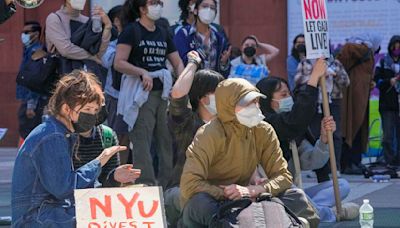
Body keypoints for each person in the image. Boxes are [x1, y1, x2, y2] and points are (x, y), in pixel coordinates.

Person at [180, 78, 319, 227]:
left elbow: (283, 176)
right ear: (229, 106)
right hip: (216, 199)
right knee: (199, 203)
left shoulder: (264, 130)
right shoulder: (208, 134)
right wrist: (227, 193)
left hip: (249, 198)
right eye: (247, 103)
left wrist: (254, 190)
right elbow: (190, 183)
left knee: (296, 196)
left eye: (256, 101)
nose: (254, 107)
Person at [11, 71, 127, 227]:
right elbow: (63, 188)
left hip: (49, 213)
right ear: (66, 109)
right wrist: (99, 161)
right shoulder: (52, 136)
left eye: (95, 111)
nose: (92, 116)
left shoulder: (59, 133)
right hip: (35, 218)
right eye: (87, 110)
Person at [256, 76, 359, 223]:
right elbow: (298, 117)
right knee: (293, 194)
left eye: (289, 94)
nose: (289, 98)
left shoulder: (293, 135)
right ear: (268, 100)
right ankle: (330, 214)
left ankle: (308, 208)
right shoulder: (265, 125)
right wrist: (314, 77)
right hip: (271, 191)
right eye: (283, 95)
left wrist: (323, 139)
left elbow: (313, 162)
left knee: (342, 186)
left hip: (292, 192)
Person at [114, 0, 184, 187]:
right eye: (153, 2)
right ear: (142, 9)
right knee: (141, 140)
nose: (158, 6)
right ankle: (144, 184)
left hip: (162, 94)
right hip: (140, 93)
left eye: (160, 2)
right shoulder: (131, 31)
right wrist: (141, 72)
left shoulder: (163, 32)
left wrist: (182, 81)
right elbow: (119, 62)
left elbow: (177, 62)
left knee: (166, 139)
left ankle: (168, 183)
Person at [164, 51, 224, 227]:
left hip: (217, 191)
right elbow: (177, 94)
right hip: (181, 192)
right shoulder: (187, 122)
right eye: (220, 92)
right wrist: (193, 63)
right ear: (204, 98)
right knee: (199, 201)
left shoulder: (228, 126)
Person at [294, 56, 350, 171]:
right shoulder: (305, 62)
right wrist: (315, 76)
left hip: (333, 101)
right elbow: (297, 79)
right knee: (315, 133)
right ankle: (318, 169)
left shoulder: (335, 63)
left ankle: (335, 167)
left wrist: (334, 75)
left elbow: (346, 81)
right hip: (313, 101)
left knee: (334, 134)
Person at [337, 34, 382, 174]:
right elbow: (347, 49)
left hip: (358, 97)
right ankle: (350, 163)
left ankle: (352, 162)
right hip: (354, 98)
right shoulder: (363, 50)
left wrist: (369, 83)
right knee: (353, 128)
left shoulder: (364, 52)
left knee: (354, 129)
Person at [45, 0, 112, 75]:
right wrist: (91, 57)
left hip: (86, 75)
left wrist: (107, 27)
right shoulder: (55, 18)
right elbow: (65, 50)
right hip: (61, 74)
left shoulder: (88, 21)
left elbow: (98, 53)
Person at [101, 5, 131, 164]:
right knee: (118, 137)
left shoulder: (137, 38)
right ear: (116, 21)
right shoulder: (111, 44)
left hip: (136, 96)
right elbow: (108, 60)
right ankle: (117, 172)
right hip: (116, 96)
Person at [173, 0, 231, 77]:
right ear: (196, 11)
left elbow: (224, 71)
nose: (208, 10)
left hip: (213, 85)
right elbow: (180, 63)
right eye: (205, 6)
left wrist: (224, 63)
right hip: (191, 84)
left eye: (212, 8)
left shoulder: (219, 38)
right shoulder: (184, 34)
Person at [16, 21, 48, 140]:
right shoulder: (28, 50)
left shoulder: (36, 51)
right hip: (28, 98)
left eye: (26, 32)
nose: (23, 35)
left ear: (36, 34)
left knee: (29, 131)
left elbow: (34, 79)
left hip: (34, 100)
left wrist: (31, 105)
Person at [374, 35, 400, 166]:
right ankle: (389, 161)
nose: (397, 50)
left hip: (398, 103)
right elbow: (376, 82)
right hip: (387, 104)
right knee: (388, 136)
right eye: (394, 47)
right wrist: (389, 81)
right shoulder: (383, 62)